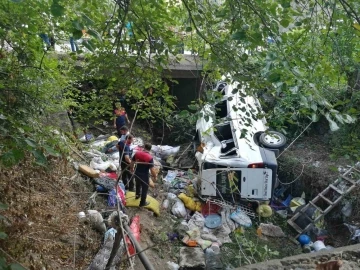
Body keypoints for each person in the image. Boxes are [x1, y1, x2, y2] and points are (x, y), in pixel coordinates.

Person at [130, 143, 157, 207]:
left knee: (138, 185)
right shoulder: (149, 157)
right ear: (150, 149)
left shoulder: (137, 153)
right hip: (144, 175)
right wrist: (155, 176)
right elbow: (152, 170)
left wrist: (131, 169)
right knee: (145, 189)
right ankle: (142, 203)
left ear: (144, 147)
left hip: (137, 173)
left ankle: (137, 196)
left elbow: (132, 162)